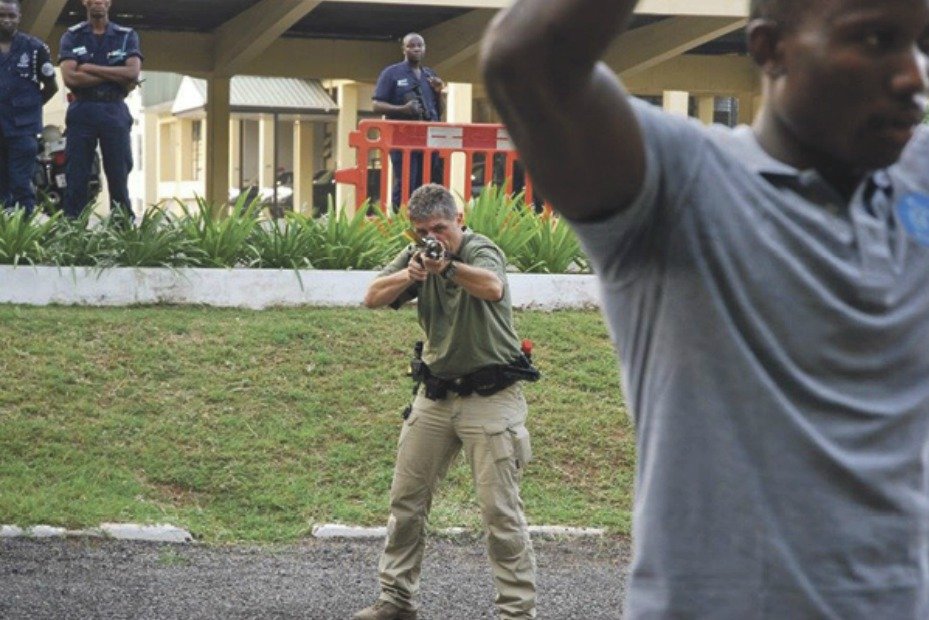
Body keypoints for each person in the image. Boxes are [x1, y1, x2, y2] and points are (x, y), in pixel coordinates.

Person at [482, 0, 929, 618]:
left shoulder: (917, 181)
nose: (913, 75)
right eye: (877, 40)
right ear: (770, 49)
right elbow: (527, 61)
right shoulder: (683, 183)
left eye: (920, 44)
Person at [354, 183, 538, 620]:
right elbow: (371, 297)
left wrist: (447, 267)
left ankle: (516, 613)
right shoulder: (420, 256)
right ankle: (395, 601)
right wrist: (411, 274)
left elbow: (492, 287)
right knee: (406, 502)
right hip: (435, 395)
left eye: (439, 227)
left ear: (459, 220)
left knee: (500, 512)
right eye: (422, 231)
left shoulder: (479, 249)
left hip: (490, 397)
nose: (432, 236)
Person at [58, 0, 142, 222]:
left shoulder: (126, 35)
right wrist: (116, 73)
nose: (98, 2)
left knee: (118, 173)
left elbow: (132, 73)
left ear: (109, 2)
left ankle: (122, 226)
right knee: (76, 174)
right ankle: (74, 230)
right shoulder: (72, 36)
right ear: (84, 2)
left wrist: (89, 68)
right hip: (82, 109)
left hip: (114, 109)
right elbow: (70, 77)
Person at [372, 33, 445, 210]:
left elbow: (439, 111)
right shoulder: (392, 73)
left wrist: (438, 91)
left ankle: (424, 221)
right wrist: (403, 109)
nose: (416, 49)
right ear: (404, 49)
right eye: (412, 46)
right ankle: (400, 220)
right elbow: (376, 104)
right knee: (406, 182)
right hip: (402, 139)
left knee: (426, 185)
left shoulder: (429, 75)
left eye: (420, 45)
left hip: (427, 140)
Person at [0, 0, 58, 216]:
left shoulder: (35, 48)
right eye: (1, 15)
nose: (6, 20)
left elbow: (51, 86)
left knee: (21, 185)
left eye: (11, 16)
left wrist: (30, 108)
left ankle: (22, 236)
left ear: (19, 18)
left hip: (22, 130)